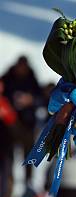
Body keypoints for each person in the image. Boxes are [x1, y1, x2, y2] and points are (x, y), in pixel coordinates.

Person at [1, 56, 42, 186]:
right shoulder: (7, 78)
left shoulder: (32, 79)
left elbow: (41, 99)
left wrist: (30, 99)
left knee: (29, 159)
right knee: (6, 159)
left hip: (27, 126)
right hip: (8, 126)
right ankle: (6, 189)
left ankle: (28, 187)